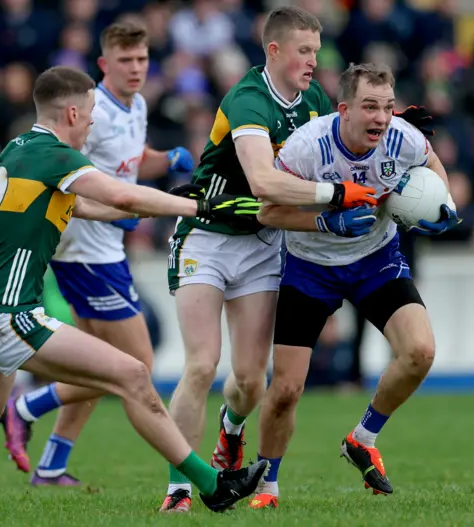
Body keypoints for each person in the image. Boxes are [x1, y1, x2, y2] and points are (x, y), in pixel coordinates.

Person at [0, 65, 269, 517]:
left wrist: (132, 212)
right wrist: (200, 206)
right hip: (9, 315)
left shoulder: (18, 148)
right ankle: (212, 485)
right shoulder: (56, 157)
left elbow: (84, 203)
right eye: (90, 113)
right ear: (71, 112)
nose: (93, 121)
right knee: (133, 375)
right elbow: (124, 196)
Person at [160, 6, 381, 512]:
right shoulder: (249, 98)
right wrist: (334, 197)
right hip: (207, 238)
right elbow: (263, 182)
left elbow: (344, 156)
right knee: (200, 364)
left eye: (316, 52)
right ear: (274, 51)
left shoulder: (318, 101)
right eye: (304, 51)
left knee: (249, 380)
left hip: (262, 244)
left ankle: (230, 429)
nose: (313, 61)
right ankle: (177, 489)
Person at [252, 62, 460, 507]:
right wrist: (326, 221)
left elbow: (434, 167)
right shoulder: (307, 147)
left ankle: (362, 438)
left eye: (387, 107)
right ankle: (267, 484)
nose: (382, 118)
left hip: (375, 260)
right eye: (370, 107)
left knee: (420, 352)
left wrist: (443, 205)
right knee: (286, 390)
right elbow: (266, 212)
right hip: (309, 268)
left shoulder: (403, 136)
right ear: (344, 110)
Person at [0, 22, 196, 487]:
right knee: (136, 367)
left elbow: (129, 159)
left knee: (98, 363)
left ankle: (49, 467)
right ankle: (27, 408)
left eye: (142, 59)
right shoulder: (93, 111)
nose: (135, 68)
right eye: (125, 60)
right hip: (86, 252)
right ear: (104, 63)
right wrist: (114, 211)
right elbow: (74, 179)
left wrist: (165, 160)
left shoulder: (138, 105)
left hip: (108, 247)